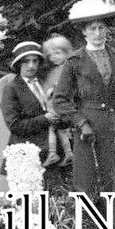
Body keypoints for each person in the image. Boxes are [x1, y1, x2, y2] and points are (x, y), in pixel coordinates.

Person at [51, 0, 115, 229]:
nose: (98, 33)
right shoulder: (74, 62)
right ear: (84, 31)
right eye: (92, 28)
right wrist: (81, 122)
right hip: (89, 131)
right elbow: (60, 101)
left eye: (102, 28)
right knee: (89, 180)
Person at [0, 40, 69, 181]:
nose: (31, 66)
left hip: (54, 156)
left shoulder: (46, 83)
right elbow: (14, 125)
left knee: (57, 199)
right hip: (27, 156)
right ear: (18, 64)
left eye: (35, 61)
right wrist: (45, 119)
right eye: (26, 61)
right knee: (29, 201)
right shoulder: (12, 89)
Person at [41, 34, 75, 168]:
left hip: (61, 106)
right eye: (50, 55)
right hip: (54, 107)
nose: (54, 57)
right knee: (59, 130)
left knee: (53, 128)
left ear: (66, 52)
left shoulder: (67, 68)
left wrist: (52, 91)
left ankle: (53, 153)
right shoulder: (54, 70)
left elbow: (64, 86)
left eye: (57, 53)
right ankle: (68, 153)